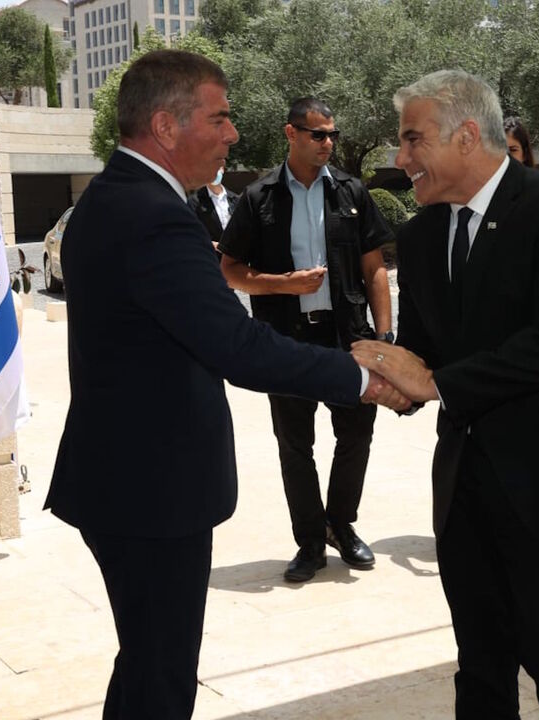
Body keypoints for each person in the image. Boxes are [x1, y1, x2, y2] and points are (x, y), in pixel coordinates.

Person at [43, 50, 404, 719]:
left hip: (124, 482)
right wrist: (362, 376)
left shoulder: (115, 197)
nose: (234, 134)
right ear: (167, 125)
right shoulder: (153, 214)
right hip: (151, 493)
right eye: (221, 116)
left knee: (146, 661)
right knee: (162, 676)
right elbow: (235, 346)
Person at [350, 70, 539, 718]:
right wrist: (390, 380)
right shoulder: (419, 236)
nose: (400, 158)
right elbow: (428, 354)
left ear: (467, 135)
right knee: (479, 671)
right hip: (467, 486)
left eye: (412, 139)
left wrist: (435, 382)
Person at [219, 97, 395, 583]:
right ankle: (310, 542)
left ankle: (341, 524)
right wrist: (282, 284)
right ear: (290, 134)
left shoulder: (352, 193)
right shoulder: (258, 198)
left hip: (347, 340)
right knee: (295, 445)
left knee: (356, 435)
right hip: (285, 344)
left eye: (332, 135)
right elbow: (230, 270)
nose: (328, 144)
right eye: (318, 134)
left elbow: (374, 268)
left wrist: (385, 337)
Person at [188, 161, 238, 247]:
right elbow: (191, 233)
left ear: (222, 169)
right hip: (210, 255)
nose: (213, 172)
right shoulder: (195, 202)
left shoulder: (235, 199)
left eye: (216, 168)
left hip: (234, 255)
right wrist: (213, 245)